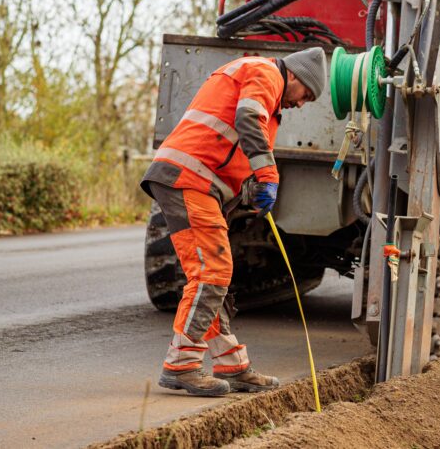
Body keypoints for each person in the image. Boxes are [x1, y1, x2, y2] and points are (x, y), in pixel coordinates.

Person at [140, 47, 327, 396]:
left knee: (214, 275)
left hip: (196, 181)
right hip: (189, 178)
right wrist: (267, 175)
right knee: (211, 273)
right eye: (306, 95)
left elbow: (232, 142)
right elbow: (247, 118)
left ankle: (232, 365)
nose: (301, 104)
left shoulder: (263, 82)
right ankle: (182, 364)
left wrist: (248, 187)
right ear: (294, 76)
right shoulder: (265, 73)